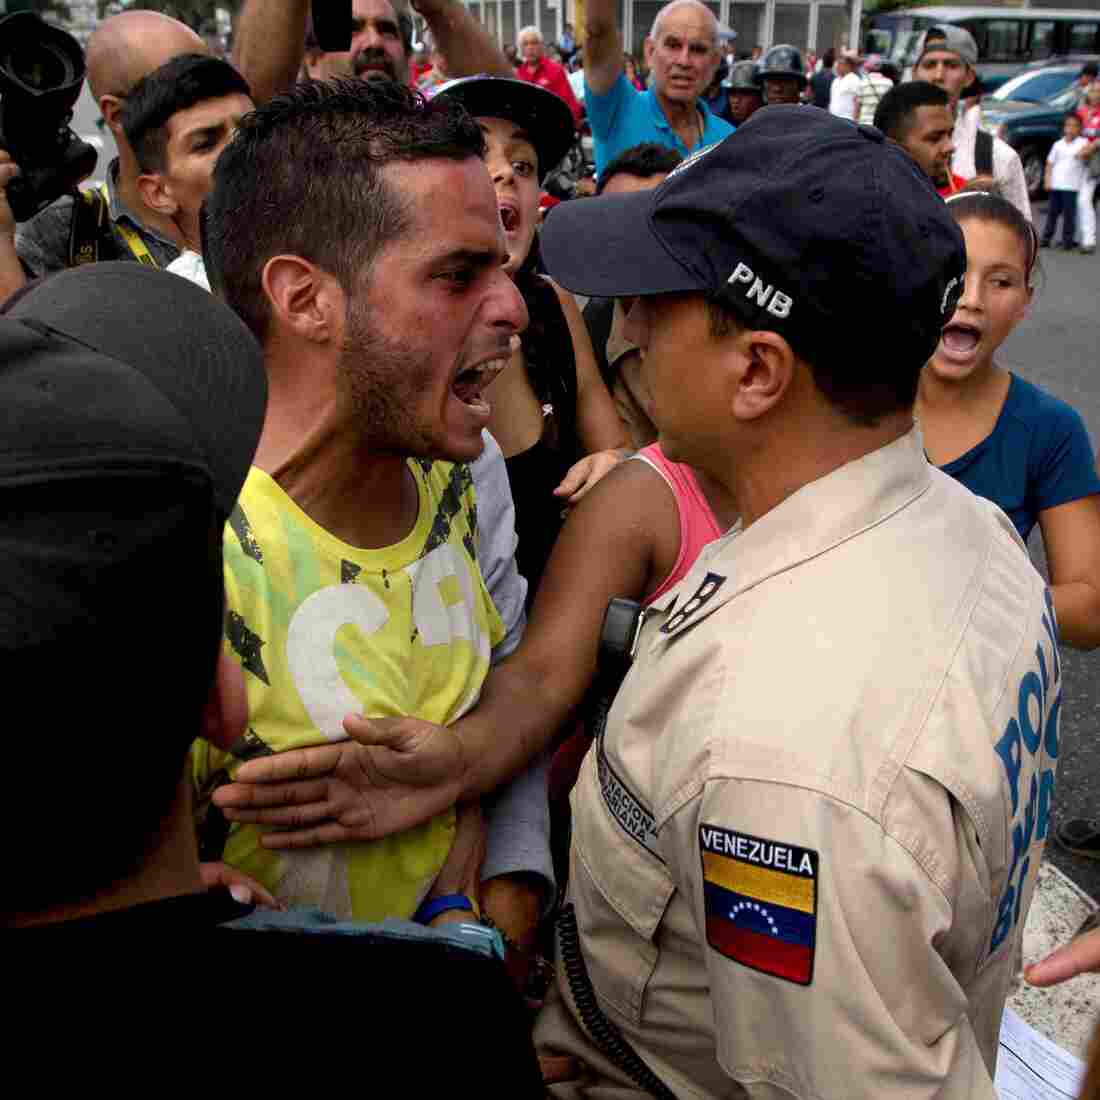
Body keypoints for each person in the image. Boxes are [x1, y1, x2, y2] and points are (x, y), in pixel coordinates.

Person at [214, 109, 1058, 1097]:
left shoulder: (785, 764)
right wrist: (466, 763)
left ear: (755, 370)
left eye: (656, 299)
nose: (628, 324)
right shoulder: (967, 536)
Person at [199, 78, 556, 967]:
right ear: (305, 297)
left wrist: (475, 901)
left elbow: (511, 677)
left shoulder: (466, 478)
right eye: (458, 274)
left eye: (504, 268)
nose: (512, 309)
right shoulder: (184, 543)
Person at [434, 76, 630, 601]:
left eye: (522, 165)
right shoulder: (400, 328)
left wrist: (610, 466)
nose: (504, 173)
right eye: (477, 152)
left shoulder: (554, 303)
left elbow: (614, 445)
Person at [922, 189, 1100, 648]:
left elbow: (1089, 609)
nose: (972, 299)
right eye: (956, 274)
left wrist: (963, 601)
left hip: (972, 694)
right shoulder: (853, 398)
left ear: (1025, 302)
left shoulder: (1049, 429)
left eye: (1001, 282)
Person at [0, 11, 208, 302]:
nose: (213, 103)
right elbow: (19, 340)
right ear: (119, 115)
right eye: (190, 91)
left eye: (219, 80)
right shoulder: (66, 233)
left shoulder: (250, 199)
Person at [583, 142, 685, 448]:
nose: (634, 241)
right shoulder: (589, 329)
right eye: (616, 222)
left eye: (653, 222)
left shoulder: (729, 323)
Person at [233, 0, 511, 108]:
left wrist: (437, 6)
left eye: (387, 30)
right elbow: (250, 102)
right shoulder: (289, 137)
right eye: (352, 30)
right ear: (313, 60)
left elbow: (506, 105)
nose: (373, 42)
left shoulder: (437, 121)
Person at [120, 54, 253, 262]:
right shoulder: (177, 294)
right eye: (206, 144)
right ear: (159, 193)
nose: (244, 145)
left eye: (253, 129)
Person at [580, 0, 732, 178]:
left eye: (698, 49)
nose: (684, 61)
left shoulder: (730, 140)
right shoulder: (617, 110)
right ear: (650, 52)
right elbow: (598, 30)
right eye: (673, 45)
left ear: (714, 62)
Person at [914, 24, 1031, 219]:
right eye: (929, 65)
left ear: (968, 77)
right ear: (915, 73)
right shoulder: (886, 149)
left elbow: (1025, 240)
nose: (938, 76)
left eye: (951, 65)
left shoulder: (998, 157)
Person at [874, 81, 963, 197]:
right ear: (894, 148)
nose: (950, 147)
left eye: (950, 135)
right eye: (935, 138)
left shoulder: (963, 194)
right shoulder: (868, 202)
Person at [516, 26, 583, 129]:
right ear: (521, 49)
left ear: (542, 46)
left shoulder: (555, 70)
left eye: (534, 43)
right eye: (525, 44)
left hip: (552, 128)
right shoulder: (518, 74)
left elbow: (570, 106)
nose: (530, 47)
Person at [1043, 113, 1088, 249]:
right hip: (1057, 184)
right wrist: (1047, 180)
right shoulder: (1058, 144)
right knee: (1052, 213)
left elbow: (1087, 156)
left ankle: (1067, 240)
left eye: (1074, 126)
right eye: (1068, 125)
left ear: (1080, 128)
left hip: (1072, 186)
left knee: (1069, 215)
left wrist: (1085, 152)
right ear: (1064, 127)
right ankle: (1046, 238)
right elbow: (1050, 163)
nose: (1070, 129)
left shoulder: (1083, 143)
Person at [1075, 81, 1100, 254]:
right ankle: (1081, 237)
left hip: (1094, 163)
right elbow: (1071, 131)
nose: (1094, 94)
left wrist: (1092, 146)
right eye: (1092, 91)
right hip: (1077, 161)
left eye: (1097, 92)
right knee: (1079, 200)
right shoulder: (1081, 112)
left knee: (1084, 199)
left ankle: (1089, 239)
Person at [854, 52, 893, 126]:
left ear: (867, 68)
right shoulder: (889, 83)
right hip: (880, 123)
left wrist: (855, 122)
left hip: (864, 123)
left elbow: (857, 107)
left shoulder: (862, 83)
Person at [721, 59, 763, 126]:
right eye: (732, 93)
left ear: (759, 95)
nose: (736, 100)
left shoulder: (771, 126)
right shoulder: (722, 126)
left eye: (745, 93)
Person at [828, 47, 860, 119]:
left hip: (848, 120)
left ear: (848, 66)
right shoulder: (836, 80)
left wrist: (855, 121)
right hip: (834, 118)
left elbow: (857, 102)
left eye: (840, 64)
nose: (837, 67)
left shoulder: (854, 79)